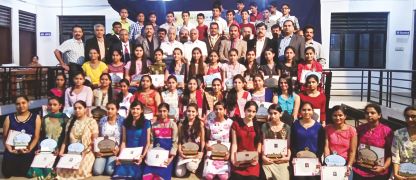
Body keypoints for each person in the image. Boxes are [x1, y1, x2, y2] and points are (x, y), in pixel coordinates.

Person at [57, 100, 99, 179]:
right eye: (75, 108)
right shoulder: (70, 122)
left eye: (80, 108)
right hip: (72, 152)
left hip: (87, 152)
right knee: (60, 169)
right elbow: (65, 140)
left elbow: (94, 141)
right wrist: (61, 152)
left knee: (80, 170)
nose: (77, 110)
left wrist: (85, 151)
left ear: (85, 109)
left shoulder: (91, 121)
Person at [27, 97, 67, 179]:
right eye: (50, 104)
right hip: (46, 148)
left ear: (60, 106)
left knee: (50, 169)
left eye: (55, 105)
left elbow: (66, 137)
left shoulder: (65, 118)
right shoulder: (45, 118)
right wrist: (40, 148)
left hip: (59, 148)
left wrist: (60, 149)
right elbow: (42, 136)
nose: (52, 106)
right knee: (34, 169)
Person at [2, 96, 41, 178]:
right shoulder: (9, 118)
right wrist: (10, 149)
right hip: (13, 149)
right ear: (15, 105)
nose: (21, 105)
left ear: (28, 103)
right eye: (18, 104)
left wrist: (29, 149)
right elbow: (5, 137)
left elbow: (36, 137)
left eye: (23, 103)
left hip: (28, 148)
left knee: (28, 170)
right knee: (7, 171)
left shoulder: (36, 117)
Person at [112, 100, 151, 179]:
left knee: (134, 175)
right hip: (127, 153)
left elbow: (148, 143)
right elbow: (123, 141)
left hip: (139, 154)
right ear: (130, 110)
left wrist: (142, 157)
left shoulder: (146, 122)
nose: (135, 111)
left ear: (141, 110)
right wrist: (121, 156)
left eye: (137, 109)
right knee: (120, 175)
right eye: (133, 108)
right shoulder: (126, 122)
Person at [353, 103, 392, 180]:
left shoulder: (387, 131)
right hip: (360, 170)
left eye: (372, 113)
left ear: (379, 115)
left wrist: (383, 167)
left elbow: (391, 153)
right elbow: (354, 148)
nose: (369, 115)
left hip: (379, 172)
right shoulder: (359, 129)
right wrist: (355, 159)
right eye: (367, 113)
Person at [143, 103, 179, 180]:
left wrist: (170, 158)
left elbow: (174, 143)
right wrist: (148, 156)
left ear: (168, 112)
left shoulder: (173, 125)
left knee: (162, 176)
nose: (162, 113)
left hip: (167, 156)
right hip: (155, 154)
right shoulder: (154, 125)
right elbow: (152, 143)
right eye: (160, 111)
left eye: (164, 111)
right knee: (147, 175)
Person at [290, 101, 325, 180]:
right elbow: (292, 143)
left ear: (313, 111)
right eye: (304, 110)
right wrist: (295, 156)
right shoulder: (295, 125)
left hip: (314, 160)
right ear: (300, 111)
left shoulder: (319, 127)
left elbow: (321, 144)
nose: (306, 112)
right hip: (298, 160)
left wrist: (317, 157)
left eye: (309, 110)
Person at [230, 101, 261, 180]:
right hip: (239, 160)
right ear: (244, 110)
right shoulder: (236, 124)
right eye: (249, 111)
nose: (251, 114)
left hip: (252, 162)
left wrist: (256, 158)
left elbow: (259, 144)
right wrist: (233, 159)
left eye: (254, 112)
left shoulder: (257, 126)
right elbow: (234, 144)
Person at [324, 105, 357, 179]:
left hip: (345, 163)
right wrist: (327, 162)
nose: (337, 118)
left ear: (345, 116)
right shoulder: (328, 128)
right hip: (331, 161)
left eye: (340, 115)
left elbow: (352, 151)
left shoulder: (351, 130)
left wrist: (349, 165)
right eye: (335, 115)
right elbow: (326, 147)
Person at [93, 101, 124, 176]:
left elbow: (124, 138)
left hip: (114, 151)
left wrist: (119, 149)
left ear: (117, 109)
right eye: (108, 109)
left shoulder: (122, 120)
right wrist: (97, 150)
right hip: (102, 151)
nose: (109, 111)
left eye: (112, 109)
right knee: (97, 171)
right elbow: (98, 136)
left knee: (109, 171)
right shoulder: (103, 120)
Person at [203, 102, 233, 180]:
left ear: (225, 110)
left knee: (224, 177)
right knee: (208, 177)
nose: (218, 111)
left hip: (225, 153)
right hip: (212, 152)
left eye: (220, 109)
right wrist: (207, 145)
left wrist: (229, 153)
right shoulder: (210, 122)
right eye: (216, 109)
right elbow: (207, 138)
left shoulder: (230, 123)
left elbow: (232, 140)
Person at [261, 104, 291, 180]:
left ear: (280, 114)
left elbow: (288, 146)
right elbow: (263, 144)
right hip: (268, 160)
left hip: (282, 160)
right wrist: (263, 157)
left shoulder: (286, 127)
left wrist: (288, 157)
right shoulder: (265, 126)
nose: (273, 116)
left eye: (275, 113)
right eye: (271, 114)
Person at [175, 103, 205, 177]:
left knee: (191, 167)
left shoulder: (200, 124)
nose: (191, 113)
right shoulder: (181, 124)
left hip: (195, 153)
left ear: (197, 113)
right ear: (186, 112)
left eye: (193, 111)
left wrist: (201, 152)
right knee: (179, 174)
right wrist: (179, 151)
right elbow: (179, 140)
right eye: (189, 111)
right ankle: (185, 164)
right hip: (184, 152)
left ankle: (191, 165)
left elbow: (203, 140)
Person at [392, 106, 416, 180]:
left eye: (413, 116)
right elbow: (395, 155)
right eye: (407, 117)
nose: (410, 119)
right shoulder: (398, 133)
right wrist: (396, 174)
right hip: (401, 173)